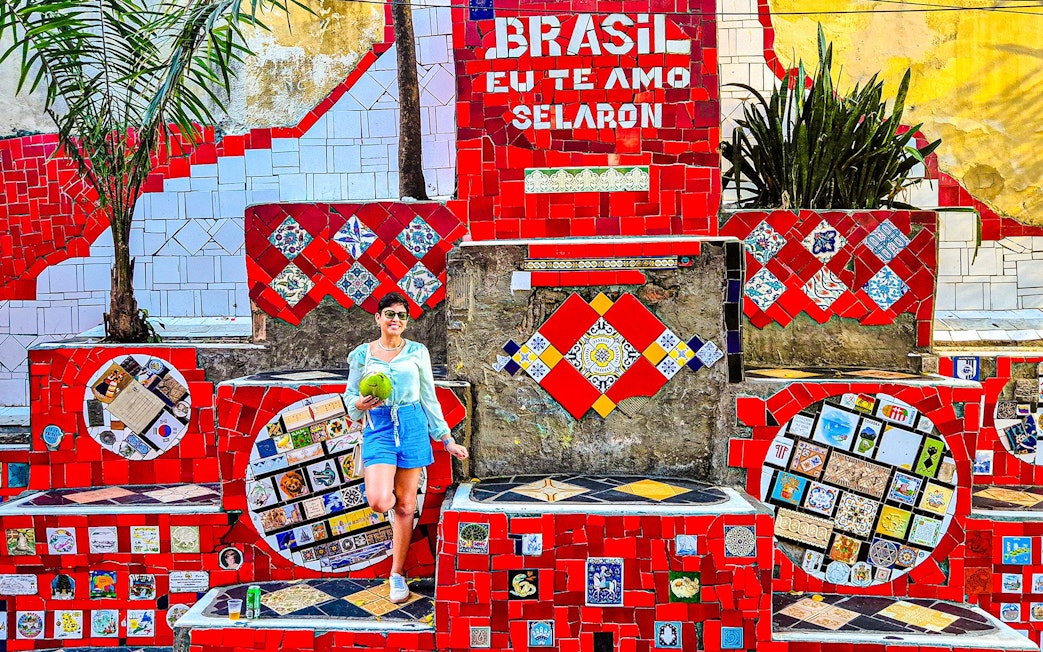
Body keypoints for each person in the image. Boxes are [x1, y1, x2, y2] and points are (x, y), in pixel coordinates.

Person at [345, 292, 469, 603]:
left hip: (412, 424)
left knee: (405, 507)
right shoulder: (362, 355)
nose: (396, 319)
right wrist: (359, 405)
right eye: (390, 314)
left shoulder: (417, 352)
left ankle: (397, 574)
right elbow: (349, 398)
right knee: (378, 501)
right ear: (378, 318)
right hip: (379, 427)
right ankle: (383, 496)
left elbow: (429, 396)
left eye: (401, 315)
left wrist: (446, 438)